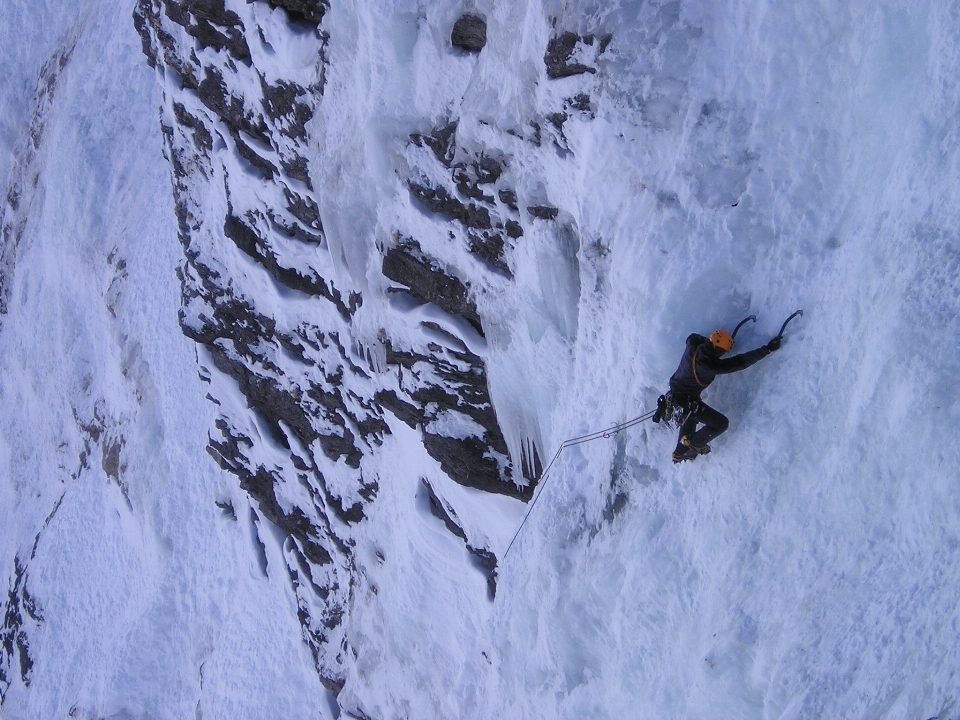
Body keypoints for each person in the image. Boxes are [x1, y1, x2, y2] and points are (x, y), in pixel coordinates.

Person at [665, 327, 780, 463]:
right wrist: (766, 349)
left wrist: (714, 342)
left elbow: (691, 337)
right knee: (720, 424)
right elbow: (739, 362)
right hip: (686, 402)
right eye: (722, 352)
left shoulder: (693, 345)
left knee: (691, 417)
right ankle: (692, 443)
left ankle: (680, 453)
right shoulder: (709, 366)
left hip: (676, 397)